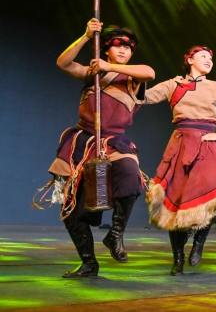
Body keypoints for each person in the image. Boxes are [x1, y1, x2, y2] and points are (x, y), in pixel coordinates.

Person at [48, 19, 155, 278]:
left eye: (128, 48)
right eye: (118, 46)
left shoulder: (134, 77)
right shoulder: (93, 73)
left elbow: (150, 72)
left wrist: (110, 66)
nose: (123, 50)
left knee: (130, 173)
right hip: (83, 142)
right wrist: (86, 35)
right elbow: (63, 63)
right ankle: (89, 263)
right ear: (106, 48)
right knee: (72, 209)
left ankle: (115, 234)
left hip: (114, 142)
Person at [139, 46, 216, 275]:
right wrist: (135, 78)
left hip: (208, 144)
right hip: (181, 144)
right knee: (176, 201)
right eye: (203, 57)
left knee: (212, 194)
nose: (209, 60)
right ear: (189, 60)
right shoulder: (174, 85)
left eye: (211, 58)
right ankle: (177, 259)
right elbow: (144, 97)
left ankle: (199, 241)